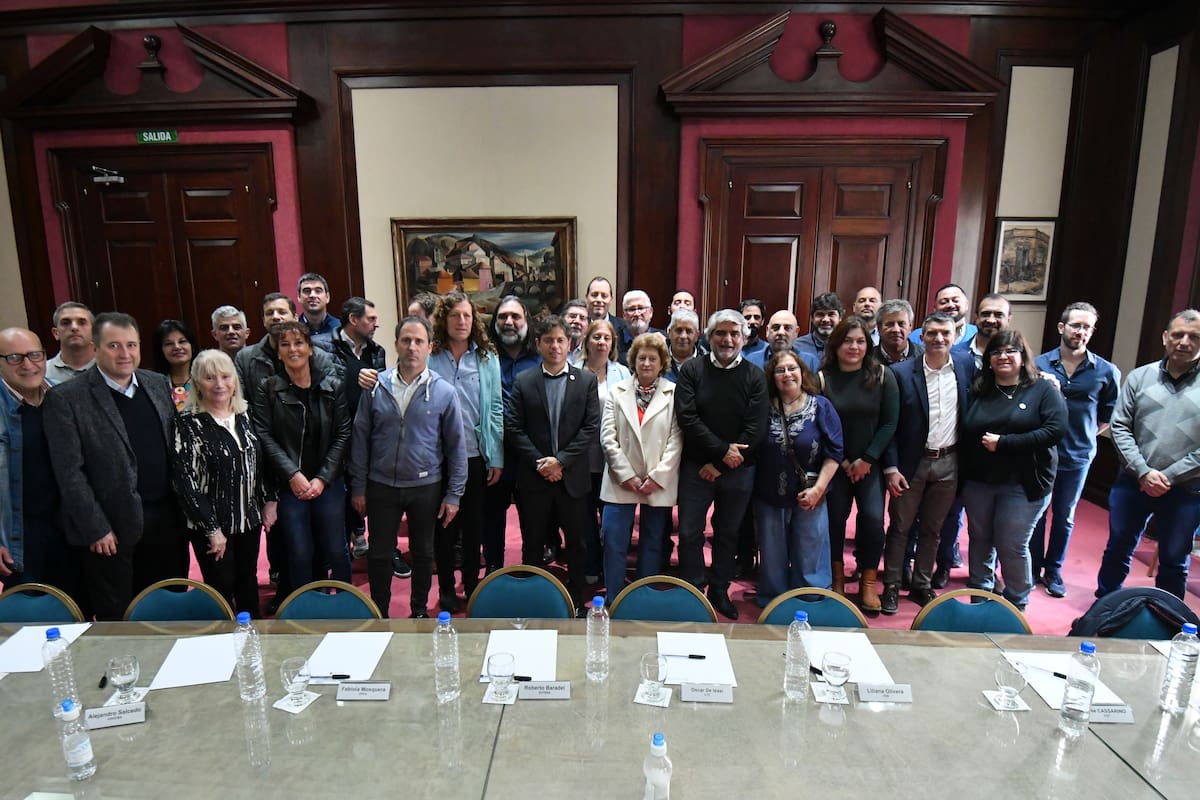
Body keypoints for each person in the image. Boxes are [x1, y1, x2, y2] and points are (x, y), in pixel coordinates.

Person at [45, 312, 185, 620]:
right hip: (112, 528)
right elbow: (69, 473)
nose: (125, 354)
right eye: (114, 346)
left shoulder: (158, 383)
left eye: (131, 345)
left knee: (170, 606)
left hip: (167, 517)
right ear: (95, 348)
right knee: (118, 613)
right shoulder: (67, 398)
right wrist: (96, 527)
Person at [350, 316, 466, 618]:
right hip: (381, 486)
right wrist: (359, 487)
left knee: (424, 553)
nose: (412, 347)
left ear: (429, 347)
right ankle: (379, 612)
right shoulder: (376, 387)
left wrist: (454, 495)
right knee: (378, 554)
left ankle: (418, 611)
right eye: (406, 340)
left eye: (419, 341)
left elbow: (456, 447)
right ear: (396, 344)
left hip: (425, 487)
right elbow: (360, 439)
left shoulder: (443, 392)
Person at [1096, 309, 1200, 601]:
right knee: (1118, 547)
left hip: (1186, 489)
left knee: (1174, 558)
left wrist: (1167, 476)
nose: (1184, 342)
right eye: (1178, 334)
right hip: (1133, 481)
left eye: (1194, 337)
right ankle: (1105, 606)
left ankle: (1168, 619)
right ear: (1165, 338)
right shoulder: (1141, 376)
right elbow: (1119, 425)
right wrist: (1143, 471)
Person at [959, 330, 1066, 612]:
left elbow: (1055, 431)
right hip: (979, 480)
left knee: (1011, 544)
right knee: (980, 541)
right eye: (996, 352)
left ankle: (1017, 604)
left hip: (1023, 482)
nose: (1003, 356)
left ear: (1023, 356)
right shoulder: (979, 388)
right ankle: (980, 599)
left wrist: (1005, 444)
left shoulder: (1043, 389)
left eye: (1010, 351)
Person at [878, 312, 975, 615]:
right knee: (900, 527)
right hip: (911, 464)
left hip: (949, 460)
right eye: (932, 333)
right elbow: (889, 425)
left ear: (955, 336)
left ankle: (921, 584)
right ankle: (892, 585)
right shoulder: (901, 372)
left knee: (934, 528)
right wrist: (891, 468)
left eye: (945, 333)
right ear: (921, 336)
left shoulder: (967, 366)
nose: (939, 339)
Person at [674, 309, 768, 619]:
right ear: (709, 337)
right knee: (689, 532)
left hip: (738, 470)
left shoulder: (755, 375)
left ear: (744, 338)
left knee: (728, 533)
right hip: (696, 466)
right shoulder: (692, 371)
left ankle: (719, 588)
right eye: (720, 333)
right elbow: (687, 418)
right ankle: (692, 586)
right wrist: (718, 454)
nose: (727, 340)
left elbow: (756, 428)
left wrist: (722, 463)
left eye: (734, 334)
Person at [251, 321, 352, 601]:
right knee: (298, 550)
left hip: (328, 480)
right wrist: (293, 475)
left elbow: (343, 434)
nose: (293, 349)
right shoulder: (268, 389)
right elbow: (264, 435)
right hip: (289, 483)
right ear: (278, 352)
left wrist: (321, 479)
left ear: (309, 348)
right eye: (285, 344)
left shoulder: (333, 385)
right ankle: (304, 607)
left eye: (298, 343)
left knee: (335, 548)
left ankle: (347, 603)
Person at [171, 350, 276, 617]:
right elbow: (186, 482)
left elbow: (261, 464)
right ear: (196, 384)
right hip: (212, 526)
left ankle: (254, 640)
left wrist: (269, 501)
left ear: (235, 380)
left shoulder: (246, 415)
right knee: (221, 587)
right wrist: (211, 528)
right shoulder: (188, 423)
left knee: (248, 584)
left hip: (247, 520)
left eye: (225, 376)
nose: (219, 384)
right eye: (209, 378)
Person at [506, 315, 600, 611]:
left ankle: (575, 601)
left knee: (577, 543)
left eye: (560, 340)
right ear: (538, 344)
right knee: (533, 543)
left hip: (572, 479)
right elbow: (513, 427)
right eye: (548, 340)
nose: (555, 346)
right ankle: (532, 599)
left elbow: (590, 427)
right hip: (535, 479)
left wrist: (560, 461)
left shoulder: (585, 380)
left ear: (570, 344)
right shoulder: (524, 381)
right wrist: (541, 463)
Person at [1032, 302, 1121, 598]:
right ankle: (1031, 568)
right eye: (1075, 326)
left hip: (1078, 455)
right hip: (1041, 454)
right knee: (1037, 512)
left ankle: (1053, 569)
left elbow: (1109, 415)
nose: (1080, 332)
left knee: (1065, 515)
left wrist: (1085, 437)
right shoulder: (1039, 365)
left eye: (1087, 328)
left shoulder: (1106, 371)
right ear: (1062, 328)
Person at [0, 328, 85, 607]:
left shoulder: (62, 398)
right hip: (20, 533)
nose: (28, 365)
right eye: (15, 358)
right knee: (29, 615)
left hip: (68, 527)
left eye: (35, 355)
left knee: (77, 608)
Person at [818, 318, 898, 611]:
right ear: (836, 345)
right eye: (848, 341)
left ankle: (867, 582)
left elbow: (890, 422)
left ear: (868, 345)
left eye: (860, 341)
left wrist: (867, 459)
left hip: (870, 464)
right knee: (835, 521)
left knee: (873, 520)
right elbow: (821, 423)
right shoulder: (823, 377)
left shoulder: (882, 376)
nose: (854, 347)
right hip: (836, 465)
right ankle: (837, 579)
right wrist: (842, 460)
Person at [428, 293, 503, 608]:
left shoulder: (487, 357)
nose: (461, 321)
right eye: (455, 315)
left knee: (474, 526)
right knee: (443, 527)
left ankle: (472, 584)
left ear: (475, 321)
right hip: (437, 456)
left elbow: (496, 407)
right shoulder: (431, 356)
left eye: (467, 316)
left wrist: (496, 455)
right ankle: (446, 588)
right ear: (444, 320)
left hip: (475, 453)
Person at [753, 350, 842, 603]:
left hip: (811, 493)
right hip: (769, 494)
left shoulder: (821, 406)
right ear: (772, 377)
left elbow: (835, 451)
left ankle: (810, 599)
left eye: (792, 368)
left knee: (810, 553)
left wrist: (819, 489)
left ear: (803, 373)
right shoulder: (762, 407)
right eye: (780, 370)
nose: (787, 374)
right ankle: (775, 602)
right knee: (772, 555)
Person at [599, 332, 682, 601]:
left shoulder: (673, 393)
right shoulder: (617, 391)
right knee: (613, 542)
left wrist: (658, 477)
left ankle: (640, 598)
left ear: (662, 363)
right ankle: (613, 598)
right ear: (633, 361)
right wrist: (627, 476)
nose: (647, 363)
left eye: (653, 359)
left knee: (652, 544)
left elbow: (676, 439)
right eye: (642, 358)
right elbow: (607, 437)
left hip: (657, 483)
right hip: (620, 481)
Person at [482, 295, 541, 573]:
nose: (509, 322)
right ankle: (493, 570)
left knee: (533, 519)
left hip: (530, 453)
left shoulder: (540, 359)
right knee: (491, 518)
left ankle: (532, 572)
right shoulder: (484, 357)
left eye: (515, 317)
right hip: (494, 452)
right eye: (503, 316)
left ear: (526, 321)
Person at [329, 297, 387, 559]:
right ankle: (340, 556)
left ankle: (383, 550)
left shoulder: (377, 351)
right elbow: (323, 384)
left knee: (372, 498)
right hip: (335, 434)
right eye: (371, 319)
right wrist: (353, 377)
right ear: (353, 320)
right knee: (341, 499)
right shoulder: (325, 348)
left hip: (368, 434)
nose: (377, 324)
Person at [580, 317, 632, 580]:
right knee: (585, 519)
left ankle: (611, 569)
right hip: (581, 458)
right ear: (586, 340)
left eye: (606, 338)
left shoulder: (622, 373)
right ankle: (591, 565)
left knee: (611, 521)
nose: (601, 342)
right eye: (596, 337)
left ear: (613, 344)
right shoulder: (573, 369)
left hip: (613, 460)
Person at [236, 292, 339, 407]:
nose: (275, 317)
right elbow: (239, 402)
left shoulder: (319, 357)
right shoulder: (244, 358)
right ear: (264, 321)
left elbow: (332, 400)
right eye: (269, 313)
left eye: (282, 312)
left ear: (295, 318)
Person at [910, 283, 978, 346]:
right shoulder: (917, 336)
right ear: (935, 308)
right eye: (943, 302)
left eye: (955, 300)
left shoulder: (978, 334)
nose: (950, 305)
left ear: (966, 305)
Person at [153, 319, 198, 411]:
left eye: (182, 341)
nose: (177, 347)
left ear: (192, 346)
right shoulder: (153, 384)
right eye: (169, 344)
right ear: (160, 350)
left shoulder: (206, 379)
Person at [45, 301, 95, 384]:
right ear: (56, 333)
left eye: (82, 322)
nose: (74, 327)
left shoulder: (110, 367)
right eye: (66, 323)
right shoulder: (43, 372)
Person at [297, 272, 340, 352]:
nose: (312, 295)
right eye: (307, 291)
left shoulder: (340, 328)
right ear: (299, 297)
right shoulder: (294, 331)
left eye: (318, 291)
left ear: (327, 297)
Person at [795, 292, 844, 362]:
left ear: (840, 318)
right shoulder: (797, 347)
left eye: (831, 314)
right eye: (820, 314)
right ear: (812, 318)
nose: (826, 320)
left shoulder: (847, 346)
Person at [616, 289, 661, 364]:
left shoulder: (663, 339)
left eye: (641, 308)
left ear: (650, 312)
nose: (637, 313)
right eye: (632, 309)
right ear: (624, 315)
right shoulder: (614, 341)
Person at [874, 299, 923, 365]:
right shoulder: (866, 358)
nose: (896, 330)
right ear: (879, 328)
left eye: (901, 324)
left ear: (910, 327)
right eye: (890, 324)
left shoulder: (924, 357)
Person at [665, 309, 702, 383]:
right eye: (678, 330)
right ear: (669, 332)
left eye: (689, 331)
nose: (683, 336)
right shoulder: (658, 360)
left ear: (697, 336)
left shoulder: (706, 364)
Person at [561, 299, 590, 366]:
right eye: (572, 316)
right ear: (562, 320)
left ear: (588, 325)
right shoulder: (552, 348)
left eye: (582, 318)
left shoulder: (592, 352)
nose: (577, 321)